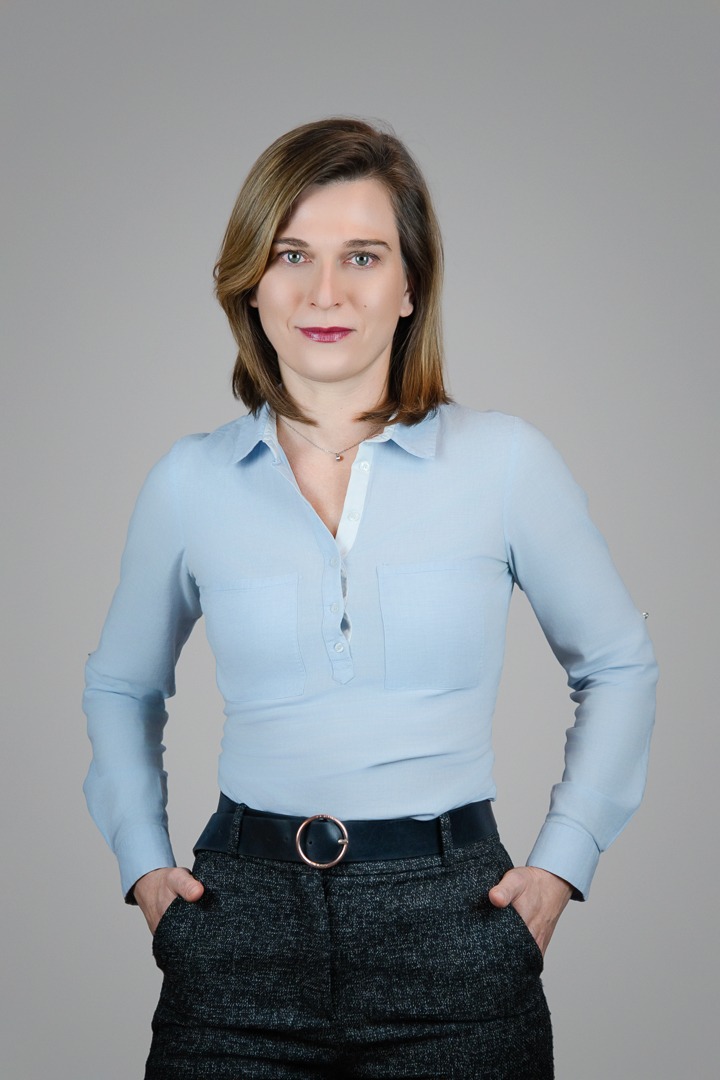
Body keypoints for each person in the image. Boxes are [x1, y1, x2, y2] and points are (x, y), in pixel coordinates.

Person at [83, 117, 657, 1079]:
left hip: (456, 932)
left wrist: (566, 860)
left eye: (362, 255)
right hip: (238, 936)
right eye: (292, 254)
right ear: (252, 282)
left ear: (410, 286)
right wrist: (143, 861)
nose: (326, 292)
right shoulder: (189, 481)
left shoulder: (506, 463)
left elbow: (619, 664)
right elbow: (121, 685)